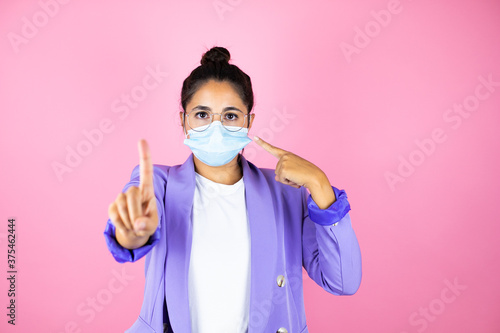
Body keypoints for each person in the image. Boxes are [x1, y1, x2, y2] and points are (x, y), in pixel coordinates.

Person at [103, 46, 362, 333]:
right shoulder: (158, 184)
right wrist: (133, 232)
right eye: (202, 114)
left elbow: (343, 280)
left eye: (230, 116)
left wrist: (319, 183)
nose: (216, 128)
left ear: (249, 122)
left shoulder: (286, 194)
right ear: (183, 120)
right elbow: (132, 227)